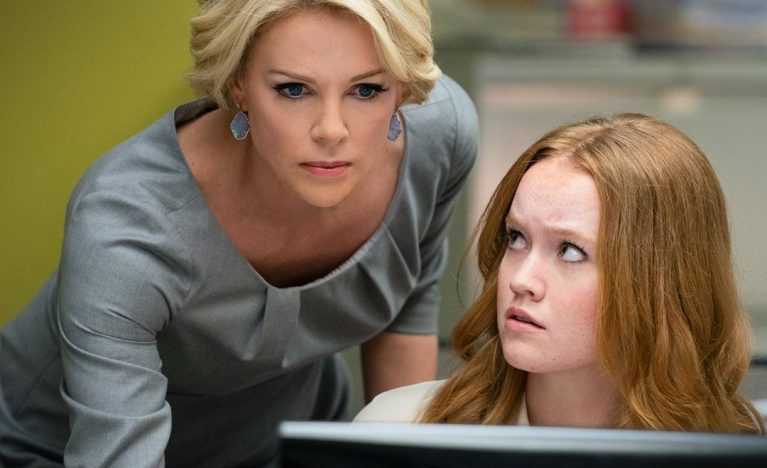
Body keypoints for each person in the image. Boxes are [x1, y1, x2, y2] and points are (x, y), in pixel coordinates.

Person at [0, 1, 479, 466]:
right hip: (59, 450)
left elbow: (406, 315)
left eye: (367, 90)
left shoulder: (438, 138)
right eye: (294, 89)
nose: (332, 130)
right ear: (238, 84)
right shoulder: (127, 228)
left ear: (401, 87)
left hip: (294, 443)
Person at [355, 113, 764, 434]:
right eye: (516, 238)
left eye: (569, 251)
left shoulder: (740, 449)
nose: (521, 280)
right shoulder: (399, 429)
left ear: (660, 281)